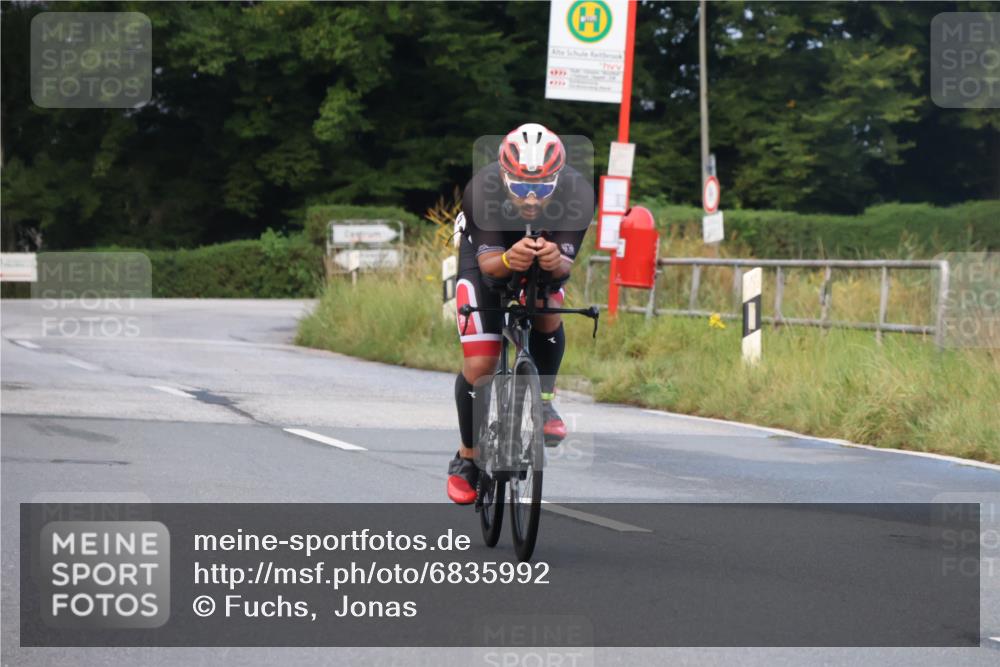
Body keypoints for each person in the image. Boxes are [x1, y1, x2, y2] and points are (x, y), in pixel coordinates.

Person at [447, 123, 595, 505]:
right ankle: (467, 457)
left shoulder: (578, 191)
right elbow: (491, 268)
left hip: (538, 252)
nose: (531, 198)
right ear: (505, 177)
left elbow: (563, 268)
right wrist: (511, 258)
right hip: (486, 255)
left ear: (558, 179)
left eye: (543, 189)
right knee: (480, 364)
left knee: (548, 308)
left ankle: (544, 400)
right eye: (522, 188)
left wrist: (555, 260)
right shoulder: (482, 190)